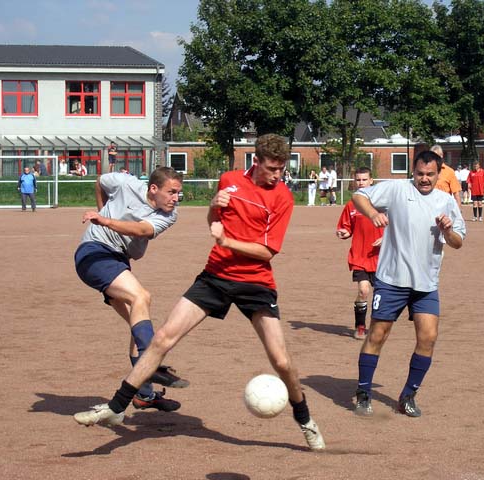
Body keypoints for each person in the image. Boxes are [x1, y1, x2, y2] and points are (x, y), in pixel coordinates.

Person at [73, 134, 326, 451]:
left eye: (281, 169)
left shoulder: (283, 198)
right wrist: (213, 207)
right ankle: (116, 408)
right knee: (163, 337)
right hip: (215, 276)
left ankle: (306, 421)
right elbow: (214, 221)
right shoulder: (230, 180)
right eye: (272, 168)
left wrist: (227, 242)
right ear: (256, 161)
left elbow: (267, 252)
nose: (277, 175)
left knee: (282, 361)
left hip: (256, 282)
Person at [350, 150, 465, 418]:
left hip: (426, 284)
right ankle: (364, 392)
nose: (424, 179)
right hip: (392, 280)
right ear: (412, 172)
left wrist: (448, 231)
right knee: (377, 335)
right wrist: (372, 215)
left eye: (430, 175)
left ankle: (408, 395)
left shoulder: (446, 202)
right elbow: (359, 196)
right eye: (419, 174)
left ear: (440, 174)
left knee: (428, 338)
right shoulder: (396, 189)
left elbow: (458, 242)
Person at [73, 167, 189, 413]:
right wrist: (103, 211)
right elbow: (100, 181)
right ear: (153, 189)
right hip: (94, 252)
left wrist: (106, 220)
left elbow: (141, 230)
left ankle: (144, 395)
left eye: (178, 193)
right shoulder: (126, 183)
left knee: (139, 322)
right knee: (141, 297)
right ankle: (153, 363)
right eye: (171, 192)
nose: (175, 198)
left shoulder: (169, 215)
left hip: (118, 260)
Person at [335, 167, 384, 340]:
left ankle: (377, 327)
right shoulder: (351, 205)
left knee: (381, 296)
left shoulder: (382, 203)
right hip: (360, 256)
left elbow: (398, 228)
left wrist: (386, 240)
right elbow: (346, 228)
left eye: (364, 179)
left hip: (381, 258)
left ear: (372, 181)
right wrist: (344, 233)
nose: (361, 183)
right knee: (363, 291)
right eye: (358, 180)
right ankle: (361, 326)